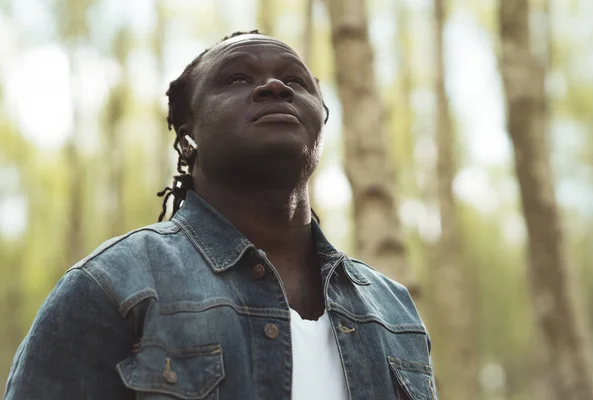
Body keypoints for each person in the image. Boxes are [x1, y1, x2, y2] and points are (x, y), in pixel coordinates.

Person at [4, 31, 437, 400]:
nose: (274, 87)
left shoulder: (392, 308)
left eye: (295, 80)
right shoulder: (115, 284)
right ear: (188, 135)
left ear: (321, 122)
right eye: (236, 78)